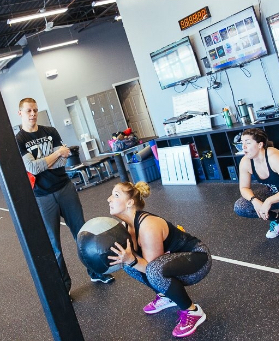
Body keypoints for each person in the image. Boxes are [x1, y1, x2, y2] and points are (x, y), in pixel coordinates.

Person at [16, 98, 114, 293]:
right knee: (54, 245)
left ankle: (96, 272)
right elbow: (33, 168)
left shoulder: (50, 131)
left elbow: (63, 161)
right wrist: (56, 154)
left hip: (65, 188)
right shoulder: (19, 140)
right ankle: (64, 287)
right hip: (42, 196)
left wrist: (46, 161)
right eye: (28, 111)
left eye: (35, 110)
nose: (33, 114)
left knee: (82, 233)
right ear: (20, 113)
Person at [107, 181, 212, 338]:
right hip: (171, 263)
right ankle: (166, 296)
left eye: (116, 195)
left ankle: (193, 311)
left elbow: (152, 268)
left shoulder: (147, 226)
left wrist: (131, 260)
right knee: (128, 263)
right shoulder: (126, 226)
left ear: (129, 203)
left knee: (150, 269)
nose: (109, 199)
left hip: (197, 260)